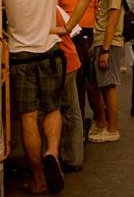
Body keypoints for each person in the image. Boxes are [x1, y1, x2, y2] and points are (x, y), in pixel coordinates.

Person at [0, 0, 92, 194]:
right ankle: (52, 151)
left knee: (29, 117)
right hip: (52, 52)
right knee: (53, 109)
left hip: (20, 57)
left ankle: (39, 178)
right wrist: (67, 27)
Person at [58, 0, 101, 129]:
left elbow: (98, 10)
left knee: (92, 81)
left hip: (90, 36)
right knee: (75, 81)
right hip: (69, 37)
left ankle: (99, 117)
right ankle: (78, 121)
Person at [88, 0, 126, 142]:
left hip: (109, 43)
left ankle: (112, 130)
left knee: (109, 86)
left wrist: (105, 49)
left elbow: (112, 20)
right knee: (101, 85)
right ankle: (106, 125)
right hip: (102, 42)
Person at [55, 10, 84, 173]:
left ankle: (68, 157)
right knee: (71, 110)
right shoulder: (53, 5)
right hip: (68, 58)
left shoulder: (47, 6)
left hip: (62, 60)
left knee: (63, 111)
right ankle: (73, 158)